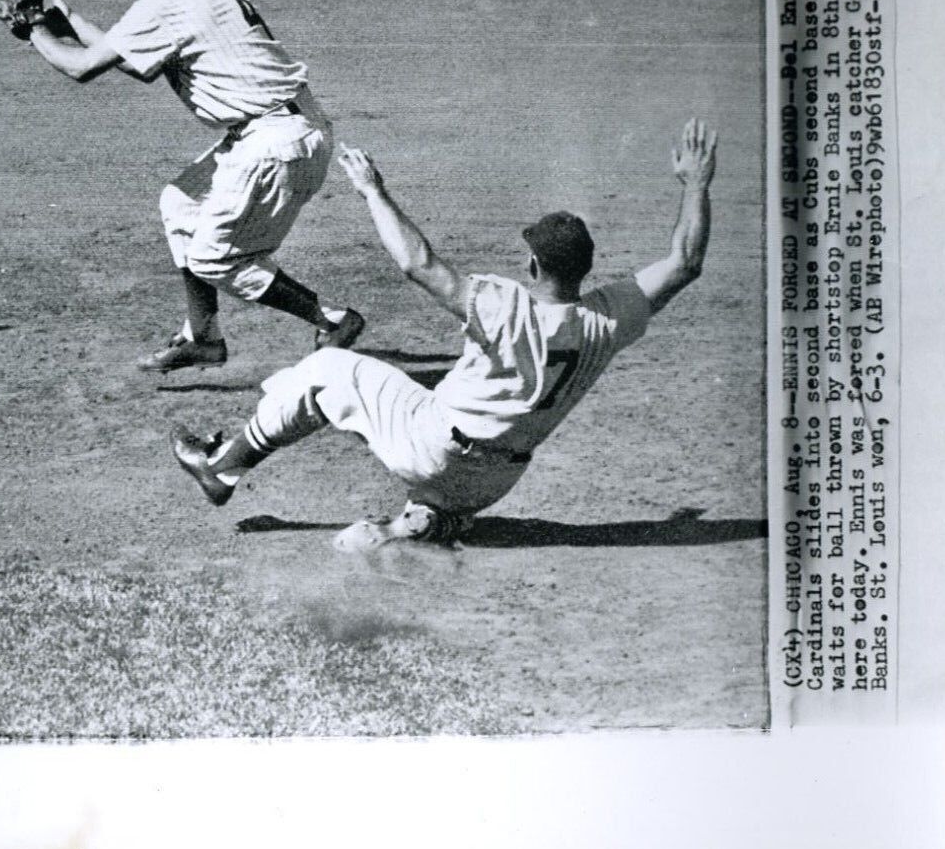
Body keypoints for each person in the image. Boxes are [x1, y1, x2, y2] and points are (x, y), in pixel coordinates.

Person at [169, 118, 719, 550]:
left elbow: (418, 263)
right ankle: (425, 522)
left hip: (433, 447)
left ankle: (222, 468)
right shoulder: (608, 320)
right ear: (586, 269)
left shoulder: (503, 305)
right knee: (433, 442)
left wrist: (372, 191)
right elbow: (686, 261)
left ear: (532, 265)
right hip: (495, 484)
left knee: (325, 371)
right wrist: (696, 183)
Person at [19, 0, 364, 372]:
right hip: (284, 128)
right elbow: (131, 60)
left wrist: (33, 28)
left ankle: (331, 319)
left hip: (276, 143)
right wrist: (68, 20)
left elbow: (82, 68)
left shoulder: (170, 1)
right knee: (181, 204)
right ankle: (202, 336)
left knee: (215, 258)